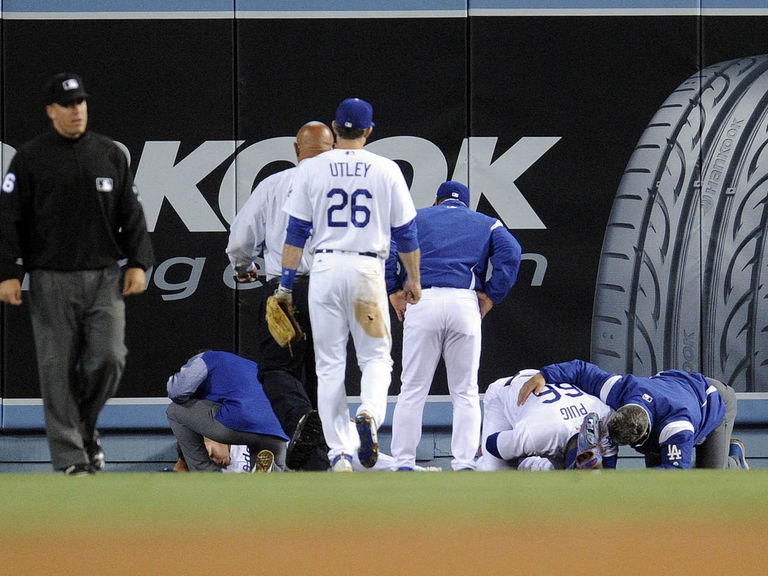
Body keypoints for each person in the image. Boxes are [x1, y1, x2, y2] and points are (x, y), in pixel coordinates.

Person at [0, 73, 154, 475]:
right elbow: (9, 219)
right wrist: (8, 272)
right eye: (68, 105)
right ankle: (72, 458)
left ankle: (84, 429)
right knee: (56, 370)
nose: (77, 111)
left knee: (109, 358)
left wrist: (139, 261)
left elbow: (131, 213)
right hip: (50, 277)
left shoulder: (108, 153)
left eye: (81, 103)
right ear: (52, 111)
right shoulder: (30, 158)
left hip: (104, 276)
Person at [279, 97, 422, 472]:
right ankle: (369, 417)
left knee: (329, 365)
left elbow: (295, 233)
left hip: (325, 269)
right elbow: (406, 234)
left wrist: (284, 286)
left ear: (334, 127)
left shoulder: (312, 168)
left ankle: (340, 453)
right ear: (369, 130)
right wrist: (413, 279)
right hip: (365, 273)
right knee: (375, 358)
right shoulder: (386, 168)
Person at [386, 181, 521, 471]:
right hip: (464, 303)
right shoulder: (487, 223)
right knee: (466, 391)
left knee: (412, 389)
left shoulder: (414, 217)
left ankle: (404, 462)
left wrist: (393, 290)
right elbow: (512, 252)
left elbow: (386, 248)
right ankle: (463, 463)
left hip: (424, 299)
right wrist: (493, 295)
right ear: (466, 204)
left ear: (437, 201)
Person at [226, 122, 334, 470]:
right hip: (336, 290)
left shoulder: (276, 184)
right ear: (332, 148)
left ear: (295, 149)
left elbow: (241, 239)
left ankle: (302, 421)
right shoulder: (347, 188)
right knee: (325, 373)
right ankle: (320, 460)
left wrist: (242, 266)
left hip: (288, 290)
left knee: (277, 369)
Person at [517, 359, 748, 469]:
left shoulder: (676, 427)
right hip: (675, 389)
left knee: (708, 480)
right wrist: (544, 375)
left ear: (646, 432)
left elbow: (675, 472)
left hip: (714, 402)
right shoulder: (621, 390)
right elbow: (581, 369)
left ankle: (734, 459)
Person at [166, 350, 293, 472]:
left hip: (241, 420)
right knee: (263, 483)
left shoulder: (206, 358)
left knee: (175, 410)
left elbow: (177, 391)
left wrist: (175, 380)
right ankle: (273, 471)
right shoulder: (250, 366)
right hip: (278, 431)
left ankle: (204, 472)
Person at [476, 369, 617, 471]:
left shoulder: (605, 418)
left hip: (548, 391)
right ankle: (479, 464)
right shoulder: (535, 433)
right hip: (508, 392)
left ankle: (559, 467)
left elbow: (608, 472)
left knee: (570, 474)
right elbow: (492, 444)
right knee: (496, 471)